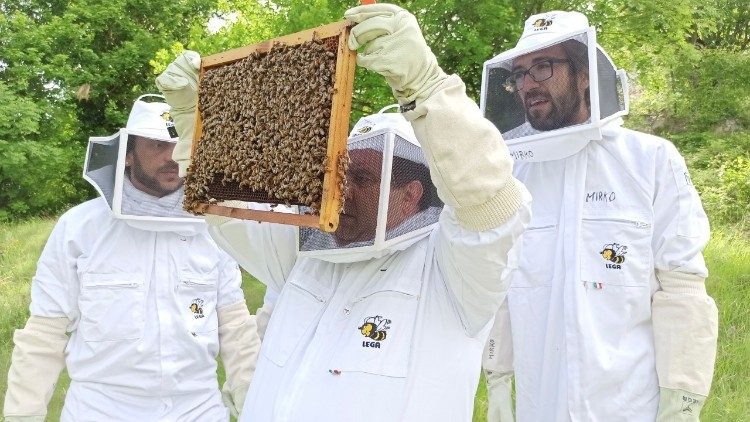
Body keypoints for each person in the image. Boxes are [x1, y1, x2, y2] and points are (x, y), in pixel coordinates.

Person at [156, 3, 531, 420]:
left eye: (366, 179)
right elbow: (224, 212)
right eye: (341, 174)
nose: (343, 191)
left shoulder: (457, 274)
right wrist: (197, 123)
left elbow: (489, 198)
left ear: (410, 195)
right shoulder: (305, 255)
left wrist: (425, 87)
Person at [480, 11, 719, 421]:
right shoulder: (511, 172)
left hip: (631, 406)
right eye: (519, 74)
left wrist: (682, 400)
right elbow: (500, 289)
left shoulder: (650, 160)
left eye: (543, 67)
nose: (528, 84)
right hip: (541, 405)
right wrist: (498, 377)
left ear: (585, 73)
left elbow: (681, 289)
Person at [3, 95, 261, 421]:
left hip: (197, 407)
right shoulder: (80, 228)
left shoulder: (214, 227)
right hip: (101, 410)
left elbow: (236, 329)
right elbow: (43, 336)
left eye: (180, 144)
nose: (172, 157)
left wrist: (253, 402)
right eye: (156, 146)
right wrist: (21, 416)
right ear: (127, 155)